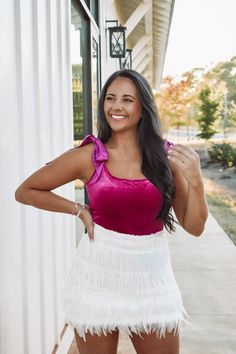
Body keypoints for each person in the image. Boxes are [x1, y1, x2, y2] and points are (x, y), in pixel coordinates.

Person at [15, 69, 208, 354]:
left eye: (127, 99)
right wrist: (79, 210)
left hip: (152, 278)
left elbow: (194, 226)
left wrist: (196, 181)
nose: (116, 106)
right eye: (110, 98)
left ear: (143, 108)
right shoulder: (89, 156)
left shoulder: (167, 159)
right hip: (96, 275)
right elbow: (26, 191)